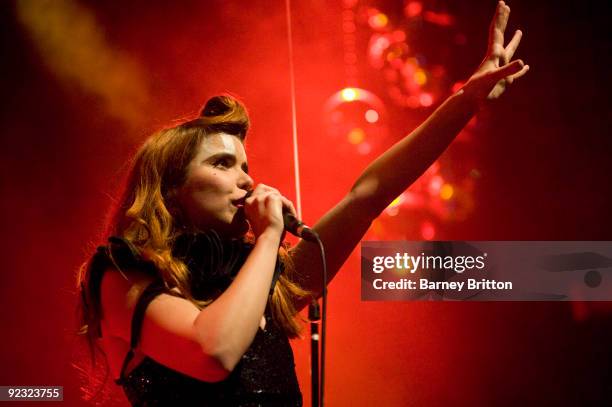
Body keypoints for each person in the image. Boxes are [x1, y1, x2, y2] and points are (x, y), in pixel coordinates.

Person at [75, 2, 528, 405]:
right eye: (222, 164)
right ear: (171, 188)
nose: (247, 180)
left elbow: (366, 196)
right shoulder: (120, 272)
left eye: (246, 166)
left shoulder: (258, 275)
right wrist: (271, 235)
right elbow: (213, 351)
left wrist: (465, 101)